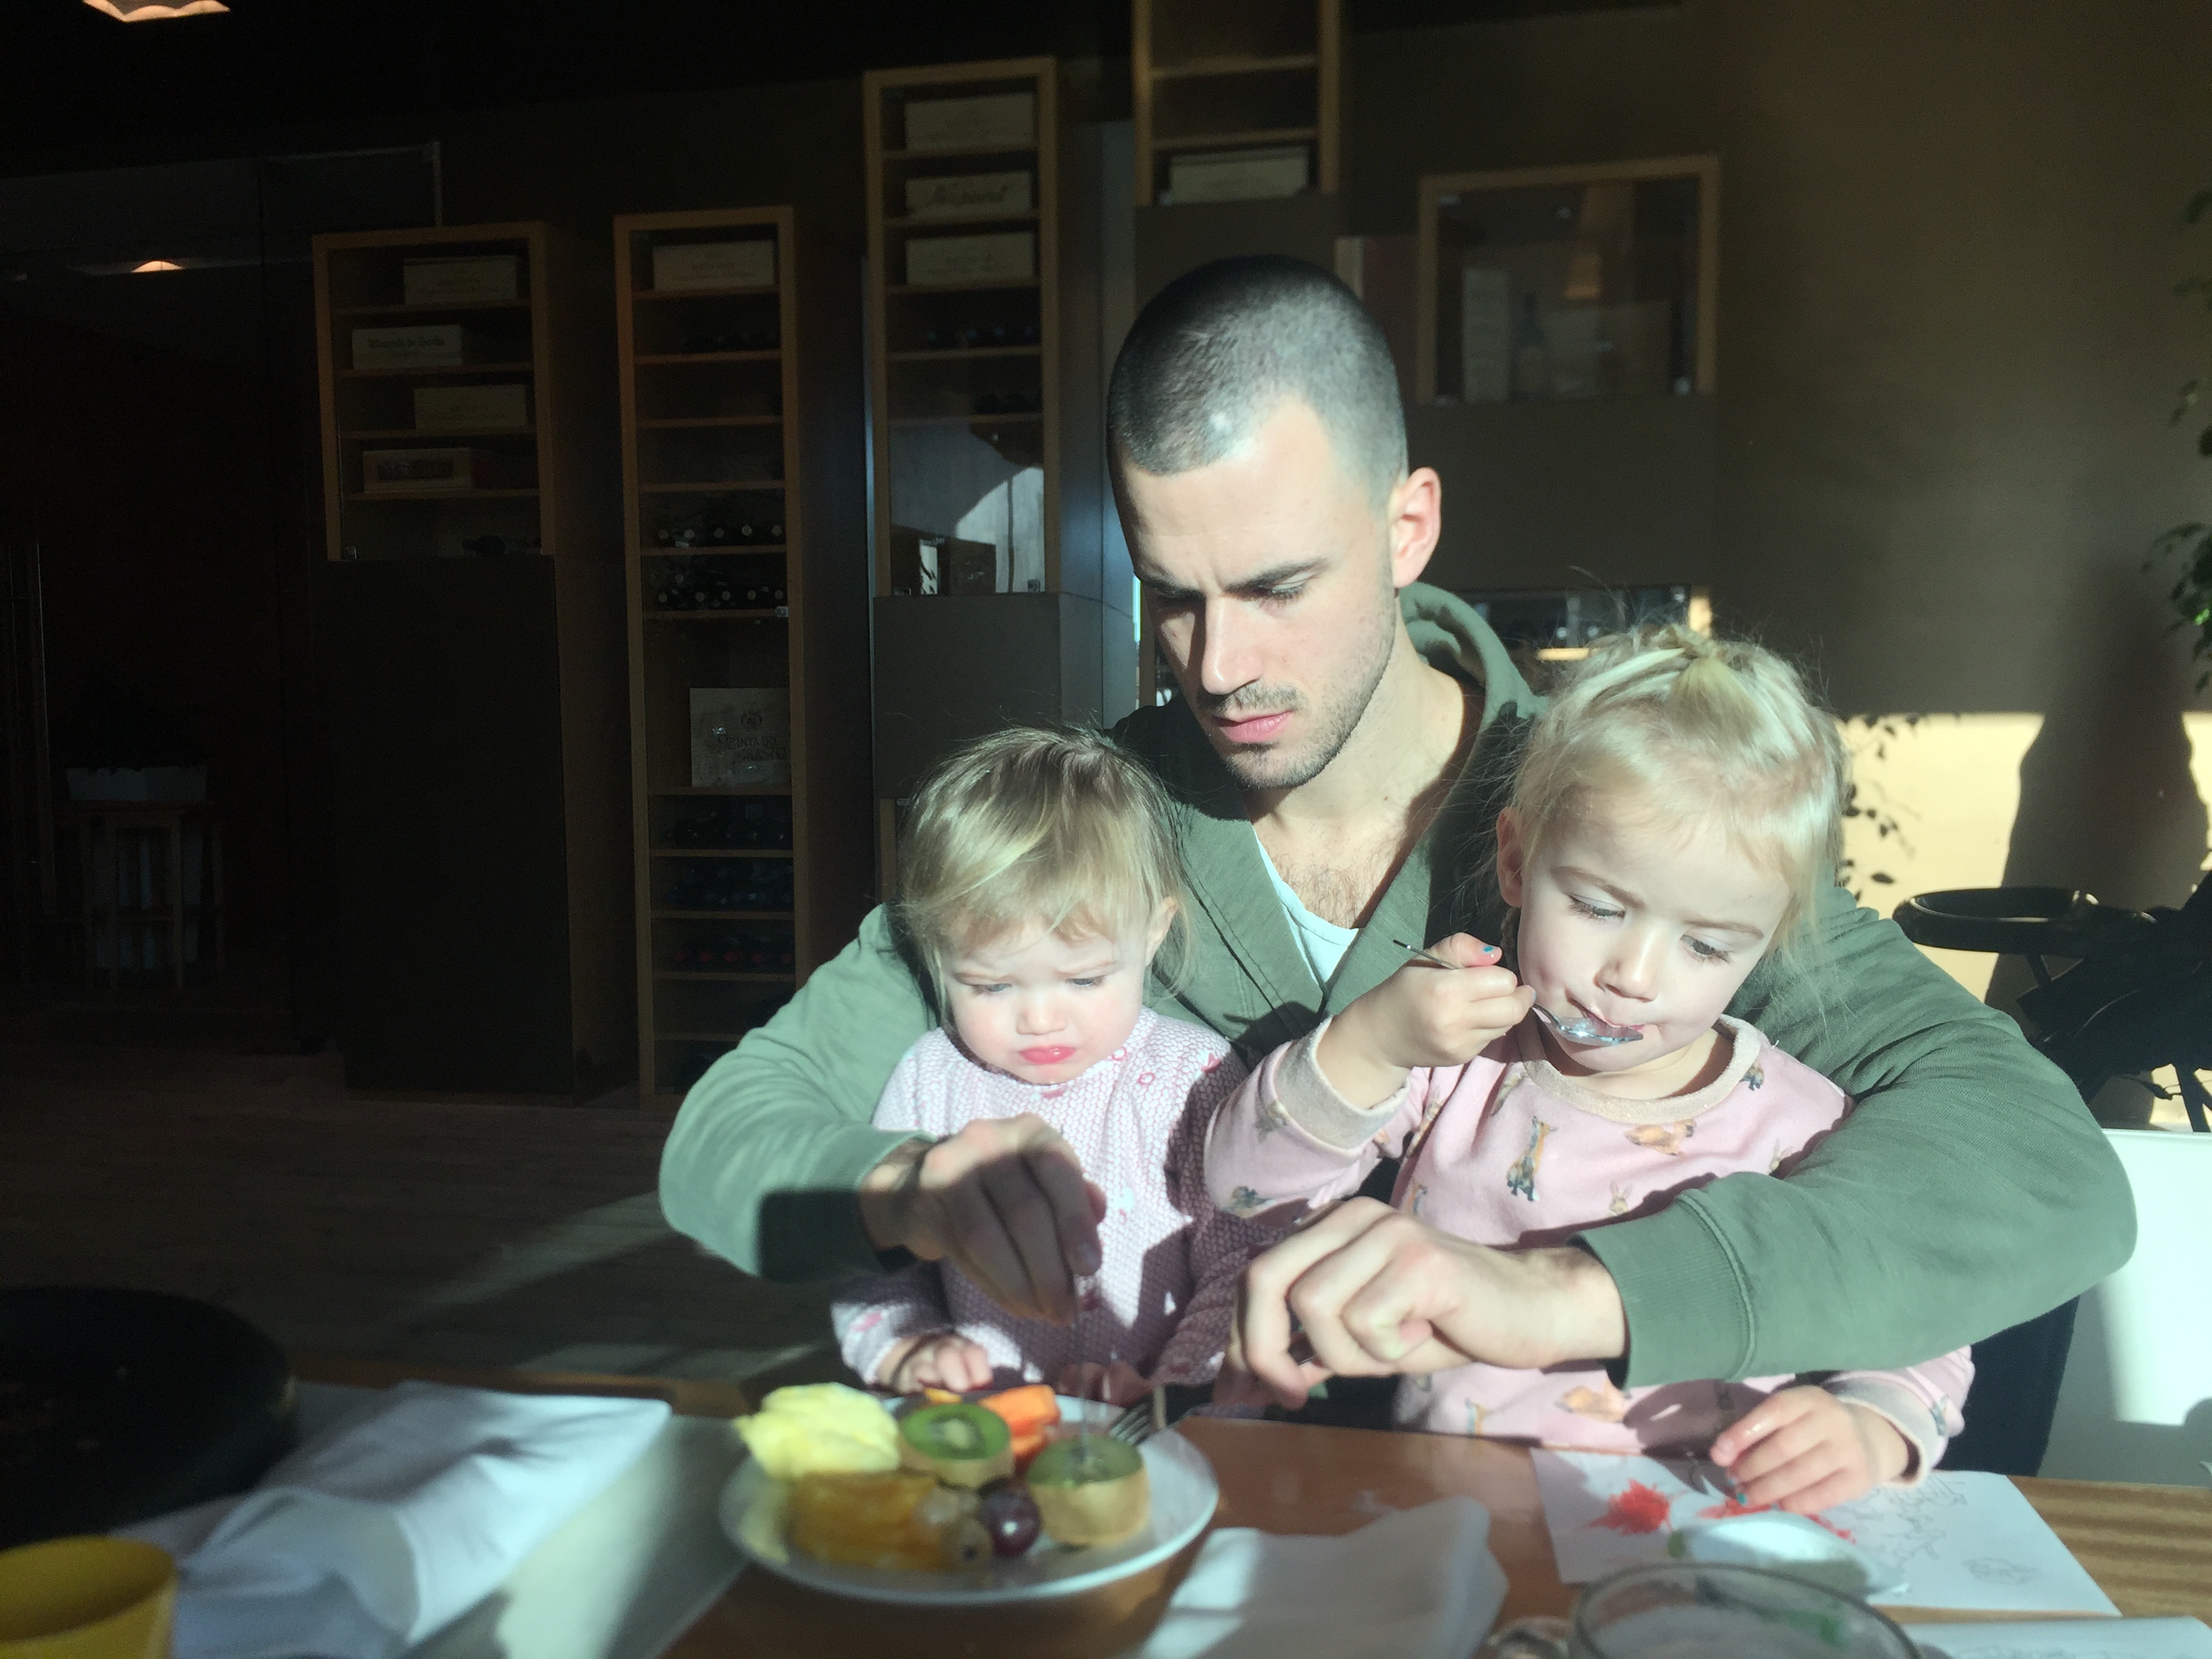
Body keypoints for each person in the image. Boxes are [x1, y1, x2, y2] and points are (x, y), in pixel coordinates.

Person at [659, 255, 2131, 1411]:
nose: (1217, 663)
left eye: (1277, 587)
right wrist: (904, 1191)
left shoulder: (1630, 822)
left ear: (1408, 524)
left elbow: (2036, 1168)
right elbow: (726, 1137)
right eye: (1172, 596)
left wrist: (1581, 1293)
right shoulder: (1081, 822)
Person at [1208, 628, 1971, 1511]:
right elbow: (1241, 1187)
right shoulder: (1459, 1065)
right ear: (1516, 861)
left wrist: (1872, 1422)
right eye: (1599, 907)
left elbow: (1925, 1305)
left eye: (1706, 945)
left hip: (1701, 1529)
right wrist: (1371, 1045)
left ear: (1766, 942)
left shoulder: (1804, 1126)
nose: (1633, 978)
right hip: (1452, 1516)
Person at [830, 727, 1271, 1402]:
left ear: (1153, 932)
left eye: (1084, 979)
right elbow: (873, 1258)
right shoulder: (929, 1078)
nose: (1039, 1019)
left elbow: (1240, 1261)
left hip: (1153, 1429)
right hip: (979, 1429)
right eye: (991, 986)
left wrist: (1173, 1388)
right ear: (937, 950)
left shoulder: (1194, 1076)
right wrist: (907, 1345)